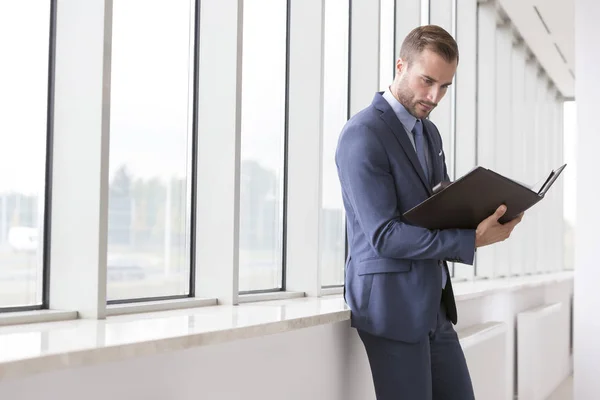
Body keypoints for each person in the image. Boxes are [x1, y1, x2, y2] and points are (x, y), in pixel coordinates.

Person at [335, 25, 523, 400]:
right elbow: (384, 235)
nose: (434, 96)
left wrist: (488, 212)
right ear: (400, 66)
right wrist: (470, 240)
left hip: (433, 304)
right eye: (427, 81)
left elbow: (441, 207)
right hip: (391, 306)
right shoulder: (363, 134)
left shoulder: (429, 133)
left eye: (445, 87)